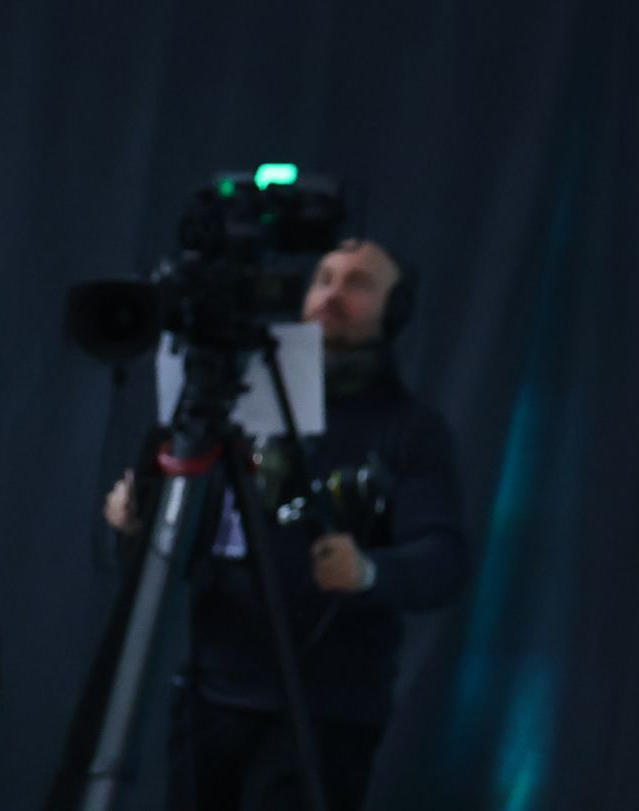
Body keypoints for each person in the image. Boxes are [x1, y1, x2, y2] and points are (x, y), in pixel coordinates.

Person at [102, 238, 471, 811]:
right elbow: (183, 551)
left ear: (395, 311)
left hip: (323, 717)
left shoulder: (411, 429)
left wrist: (370, 571)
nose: (332, 295)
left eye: (358, 283)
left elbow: (444, 560)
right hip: (210, 700)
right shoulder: (235, 407)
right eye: (323, 278)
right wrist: (139, 521)